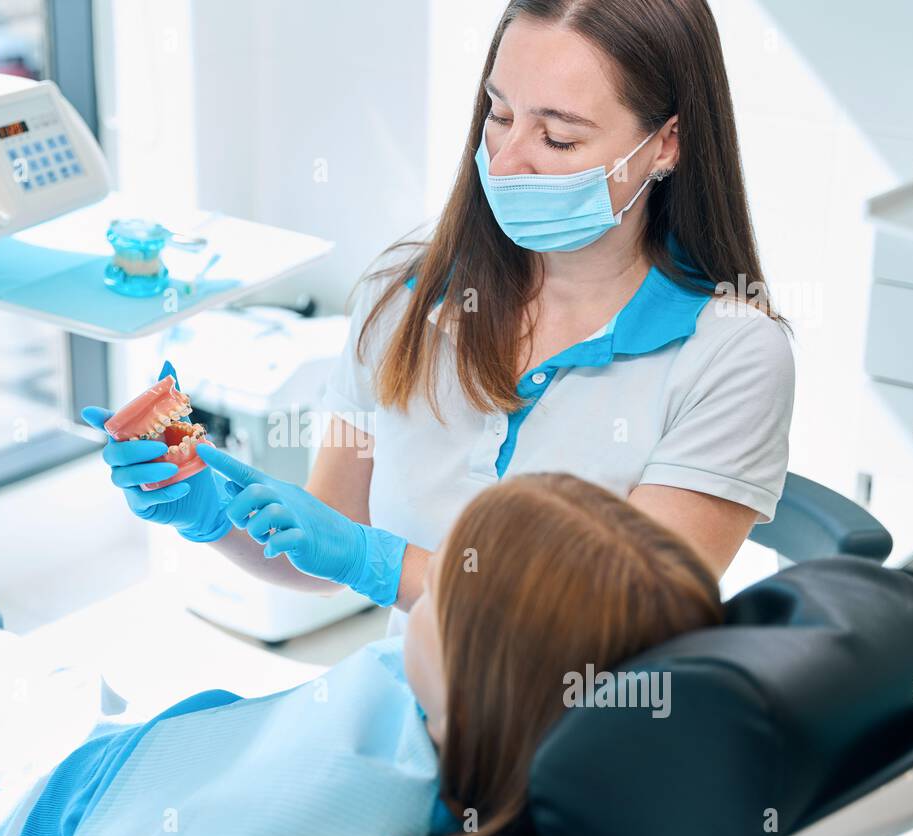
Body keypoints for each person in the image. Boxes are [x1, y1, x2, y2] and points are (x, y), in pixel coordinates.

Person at [86, 0, 793, 642]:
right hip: (405, 716)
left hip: (581, 754)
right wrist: (213, 517)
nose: (507, 161)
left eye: (560, 139)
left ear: (666, 144)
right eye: (500, 113)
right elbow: (328, 549)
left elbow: (616, 620)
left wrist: (377, 563)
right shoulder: (406, 296)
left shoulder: (731, 355)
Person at [0, 473, 720, 836]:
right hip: (115, 760)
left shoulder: (378, 821)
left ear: (489, 670)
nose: (425, 575)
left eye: (452, 578)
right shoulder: (441, 700)